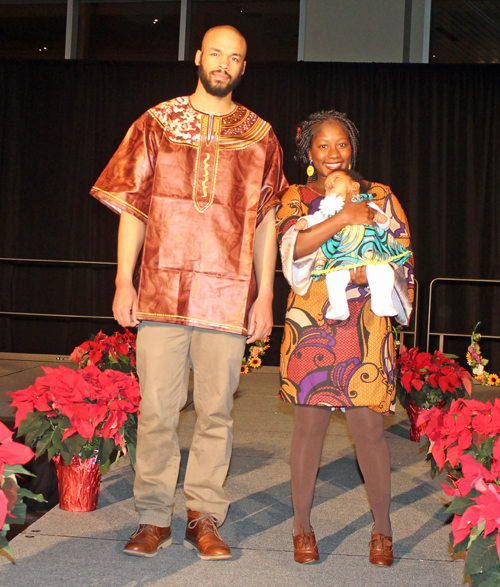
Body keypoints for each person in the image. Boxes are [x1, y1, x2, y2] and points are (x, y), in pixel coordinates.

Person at [91, 25, 287, 560]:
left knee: (216, 411)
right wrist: (123, 279)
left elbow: (267, 221)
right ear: (198, 57)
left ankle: (205, 515)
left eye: (236, 58)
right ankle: (153, 516)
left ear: (244, 68)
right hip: (159, 288)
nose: (224, 63)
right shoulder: (157, 123)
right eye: (216, 53)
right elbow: (134, 206)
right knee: (156, 409)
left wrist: (264, 296)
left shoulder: (260, 135)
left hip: (227, 296)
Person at [276, 110, 414, 566]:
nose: (334, 153)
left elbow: (403, 254)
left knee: (370, 431)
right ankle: (301, 526)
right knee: (307, 429)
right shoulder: (294, 198)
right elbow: (293, 249)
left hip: (365, 323)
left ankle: (382, 529)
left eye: (342, 144)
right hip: (311, 321)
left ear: (352, 148)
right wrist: (344, 218)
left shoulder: (382, 196)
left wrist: (371, 269)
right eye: (323, 146)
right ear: (308, 154)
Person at [294, 168, 412, 320]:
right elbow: (315, 218)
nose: (330, 183)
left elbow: (382, 222)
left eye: (336, 179)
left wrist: (382, 219)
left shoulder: (366, 202)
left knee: (384, 272)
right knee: (334, 277)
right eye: (327, 184)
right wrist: (304, 221)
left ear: (354, 186)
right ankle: (338, 307)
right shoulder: (329, 208)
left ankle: (382, 301)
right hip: (343, 255)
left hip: (368, 252)